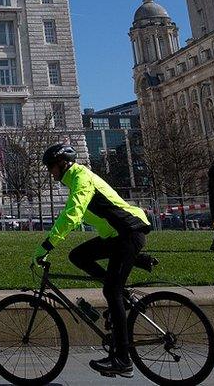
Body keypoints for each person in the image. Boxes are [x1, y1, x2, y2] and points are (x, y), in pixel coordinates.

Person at [32, 143, 156, 378]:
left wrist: (47, 245)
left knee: (112, 291)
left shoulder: (81, 177)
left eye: (51, 167)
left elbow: (73, 214)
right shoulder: (74, 181)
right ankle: (121, 292)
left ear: (62, 163)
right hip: (118, 237)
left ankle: (122, 359)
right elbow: (82, 217)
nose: (50, 172)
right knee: (78, 256)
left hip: (128, 233)